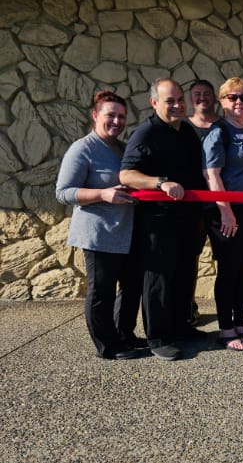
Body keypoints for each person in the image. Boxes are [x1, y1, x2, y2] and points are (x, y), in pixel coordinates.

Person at [120, 78, 207, 361]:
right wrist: (160, 182)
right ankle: (157, 337)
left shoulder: (187, 133)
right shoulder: (146, 133)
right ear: (154, 102)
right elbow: (126, 175)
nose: (177, 105)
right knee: (158, 278)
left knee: (184, 274)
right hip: (157, 220)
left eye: (180, 99)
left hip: (187, 218)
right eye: (170, 101)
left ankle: (180, 327)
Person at [55, 91, 142, 360]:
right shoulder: (83, 148)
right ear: (95, 116)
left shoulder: (123, 147)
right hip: (98, 235)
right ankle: (107, 345)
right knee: (101, 292)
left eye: (121, 116)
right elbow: (64, 192)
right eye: (110, 115)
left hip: (126, 232)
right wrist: (102, 194)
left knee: (131, 287)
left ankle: (124, 334)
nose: (116, 121)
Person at [201, 78, 243, 350]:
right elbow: (212, 175)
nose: (238, 102)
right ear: (222, 101)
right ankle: (226, 329)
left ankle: (240, 323)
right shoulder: (219, 133)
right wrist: (226, 211)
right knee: (229, 270)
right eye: (232, 98)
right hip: (229, 211)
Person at [186, 79, 219, 326]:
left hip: (221, 203)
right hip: (191, 204)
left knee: (227, 259)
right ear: (190, 98)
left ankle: (228, 308)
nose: (202, 98)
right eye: (197, 94)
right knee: (190, 258)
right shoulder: (183, 128)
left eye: (207, 94)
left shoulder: (225, 126)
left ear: (214, 98)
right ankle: (188, 305)